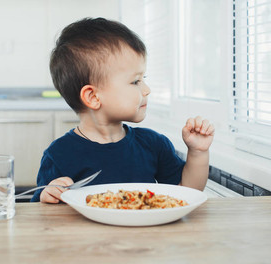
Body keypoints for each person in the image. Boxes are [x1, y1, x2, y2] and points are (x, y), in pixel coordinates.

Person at [31, 17, 214, 203]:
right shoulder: (59, 155)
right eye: (135, 81)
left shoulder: (153, 145)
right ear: (93, 97)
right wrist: (49, 196)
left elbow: (186, 192)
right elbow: (40, 212)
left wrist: (198, 153)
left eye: (144, 78)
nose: (147, 89)